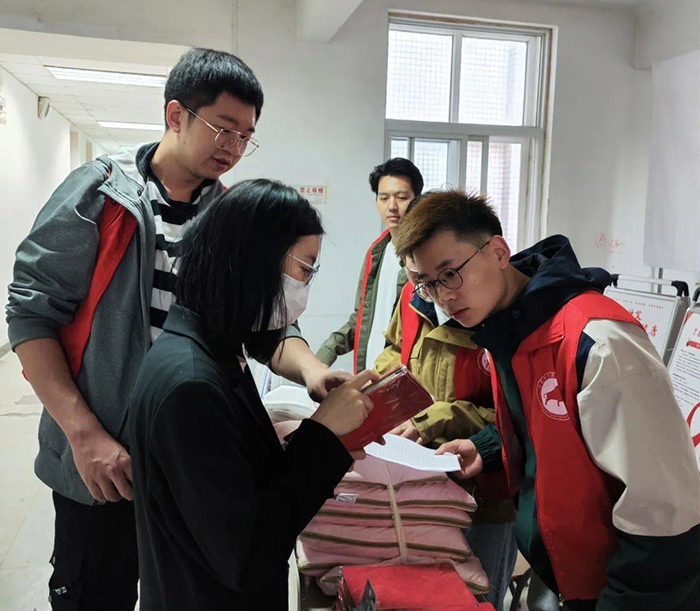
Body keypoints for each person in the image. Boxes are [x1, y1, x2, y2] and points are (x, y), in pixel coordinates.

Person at [6, 48, 342, 610]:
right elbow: (31, 313)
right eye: (223, 128)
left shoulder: (227, 214)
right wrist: (83, 435)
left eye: (246, 136)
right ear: (175, 115)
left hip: (189, 454)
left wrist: (311, 370)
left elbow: (263, 321)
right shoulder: (101, 196)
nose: (233, 147)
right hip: (105, 455)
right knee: (96, 592)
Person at [394, 189, 700, 610]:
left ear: (498, 252)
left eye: (450, 274)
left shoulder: (599, 343)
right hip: (568, 576)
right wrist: (487, 448)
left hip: (623, 592)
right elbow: (554, 428)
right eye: (428, 284)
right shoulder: (510, 331)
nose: (443, 297)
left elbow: (665, 516)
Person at [129, 179, 377, 610]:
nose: (305, 287)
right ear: (255, 262)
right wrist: (321, 438)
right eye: (304, 269)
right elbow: (247, 554)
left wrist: (316, 442)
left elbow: (231, 484)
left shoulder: (209, 347)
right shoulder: (191, 387)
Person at [375, 247, 517, 611]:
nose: (433, 292)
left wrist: (437, 417)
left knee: (477, 597)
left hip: (483, 493)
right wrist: (382, 384)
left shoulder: (496, 311)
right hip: (416, 485)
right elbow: (396, 347)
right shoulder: (413, 298)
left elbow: (514, 419)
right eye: (416, 276)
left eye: (442, 277)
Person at [316, 157, 423, 372]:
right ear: (376, 202)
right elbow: (361, 318)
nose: (392, 206)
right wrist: (325, 353)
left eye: (402, 197)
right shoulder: (377, 252)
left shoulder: (423, 260)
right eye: (384, 198)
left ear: (417, 200)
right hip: (369, 372)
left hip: (402, 374)